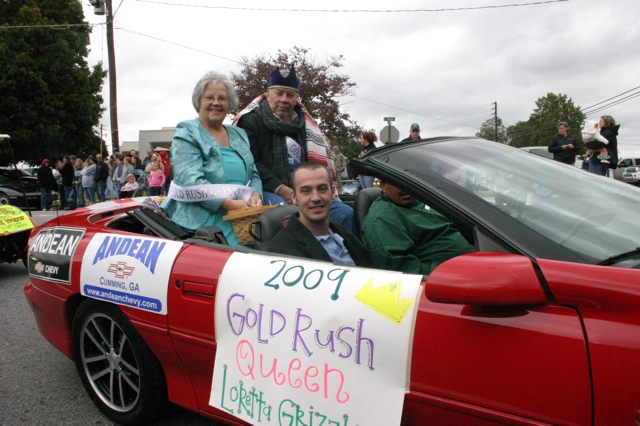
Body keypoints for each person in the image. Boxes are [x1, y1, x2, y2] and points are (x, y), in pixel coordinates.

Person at [234, 65, 354, 230]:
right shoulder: (251, 121)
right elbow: (252, 163)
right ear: (268, 95)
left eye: (290, 95)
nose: (284, 99)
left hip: (306, 189)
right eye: (279, 93)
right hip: (270, 189)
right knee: (289, 216)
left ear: (296, 98)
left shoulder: (304, 124)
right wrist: (281, 188)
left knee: (345, 213)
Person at [161, 71, 262, 246]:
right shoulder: (188, 130)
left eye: (222, 98)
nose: (216, 103)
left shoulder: (239, 134)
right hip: (204, 223)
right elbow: (189, 179)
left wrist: (255, 194)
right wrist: (227, 203)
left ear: (229, 103)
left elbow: (254, 174)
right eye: (209, 97)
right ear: (198, 102)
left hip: (243, 218)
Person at [268, 162, 374, 267]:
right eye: (306, 191)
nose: (316, 198)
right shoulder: (282, 251)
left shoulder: (344, 234)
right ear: (294, 197)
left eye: (322, 189)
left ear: (332, 192)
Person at [362, 180, 475, 275]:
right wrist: (448, 274)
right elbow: (405, 270)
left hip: (472, 263)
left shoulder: (420, 202)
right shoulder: (382, 220)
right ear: (383, 185)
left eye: (407, 182)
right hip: (450, 278)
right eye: (397, 183)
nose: (404, 188)